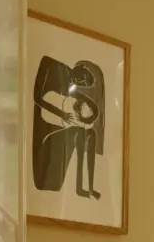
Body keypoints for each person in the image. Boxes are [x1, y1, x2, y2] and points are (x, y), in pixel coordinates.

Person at [32, 57, 105, 198]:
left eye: (83, 84)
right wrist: (62, 114)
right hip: (45, 131)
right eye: (83, 78)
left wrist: (90, 114)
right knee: (78, 131)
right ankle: (78, 188)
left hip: (58, 124)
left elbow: (84, 101)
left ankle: (89, 187)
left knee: (91, 134)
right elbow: (37, 97)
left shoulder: (69, 85)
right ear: (81, 68)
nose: (80, 83)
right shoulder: (50, 65)